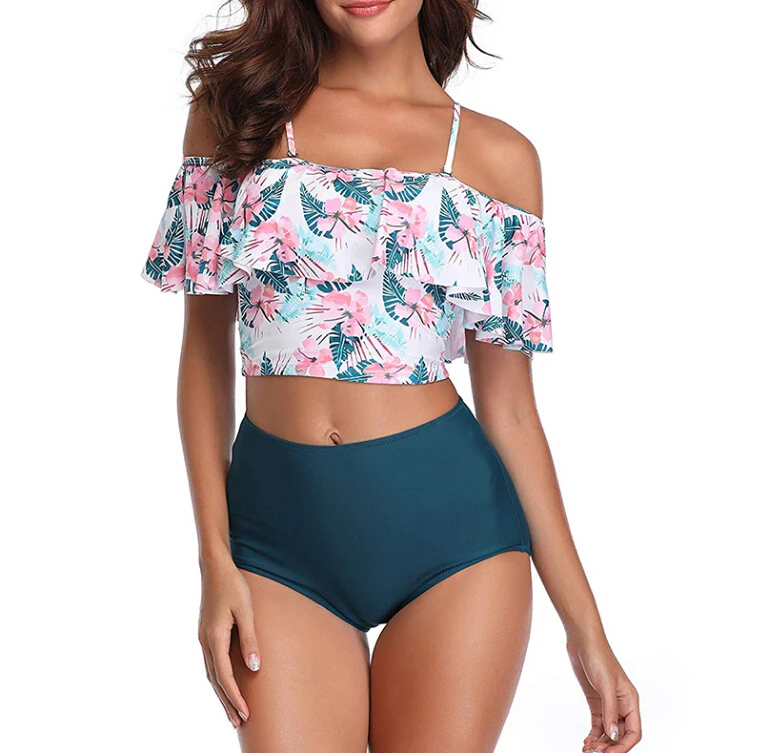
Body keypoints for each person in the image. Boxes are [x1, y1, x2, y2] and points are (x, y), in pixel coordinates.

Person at [141, 1, 641, 751]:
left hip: (458, 550)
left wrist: (587, 631)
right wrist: (214, 559)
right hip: (275, 548)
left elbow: (511, 413)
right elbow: (204, 359)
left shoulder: (498, 158)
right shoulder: (235, 117)